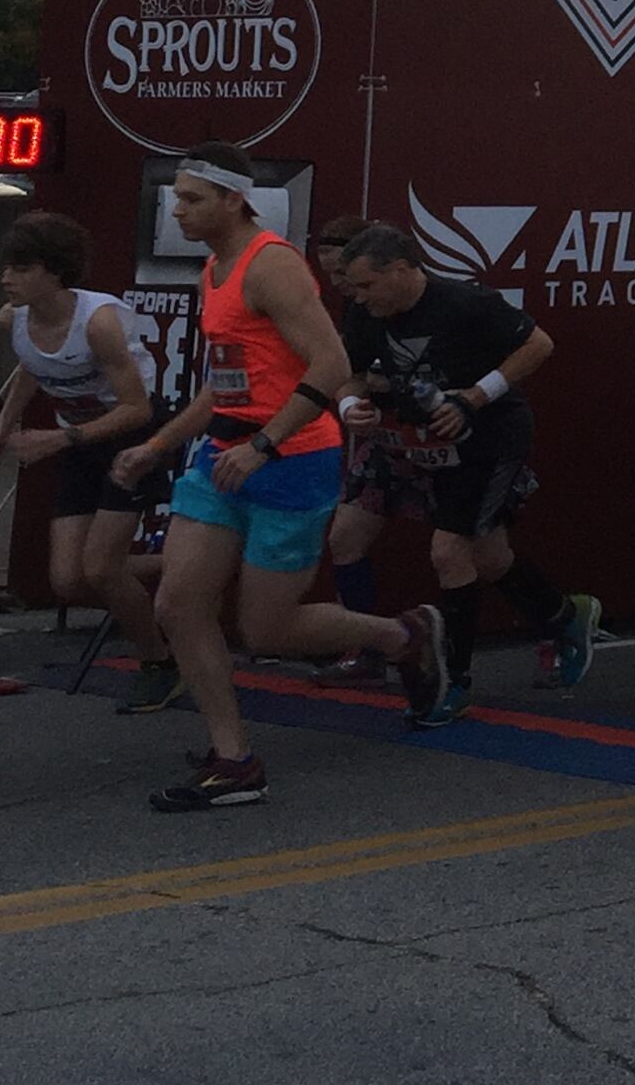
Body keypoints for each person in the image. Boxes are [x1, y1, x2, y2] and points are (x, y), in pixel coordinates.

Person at [113, 148, 444, 805]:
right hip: (224, 454)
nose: (177, 210)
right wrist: (158, 443)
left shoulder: (273, 266)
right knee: (178, 604)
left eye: (193, 199)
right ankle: (233, 760)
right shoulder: (215, 269)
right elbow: (226, 381)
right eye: (177, 198)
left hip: (292, 459)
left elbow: (329, 362)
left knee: (266, 630)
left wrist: (264, 445)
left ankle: (403, 636)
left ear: (234, 200)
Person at [324, 224, 586, 724]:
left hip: (492, 437)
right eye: (353, 288)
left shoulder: (465, 302)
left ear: (401, 271)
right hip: (426, 443)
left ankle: (453, 681)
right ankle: (564, 617)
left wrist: (475, 396)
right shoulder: (364, 314)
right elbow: (347, 370)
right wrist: (351, 402)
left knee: (449, 552)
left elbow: (539, 345)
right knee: (487, 556)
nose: (356, 297)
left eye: (366, 286)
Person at [0, 213, 173, 712]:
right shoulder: (15, 317)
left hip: (129, 437)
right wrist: (0, 431)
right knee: (68, 579)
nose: (6, 278)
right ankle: (186, 562)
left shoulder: (100, 322)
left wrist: (60, 439)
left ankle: (158, 661)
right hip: (76, 440)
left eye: (21, 269)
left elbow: (138, 408)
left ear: (54, 272)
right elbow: (31, 366)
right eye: (6, 267)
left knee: (103, 569)